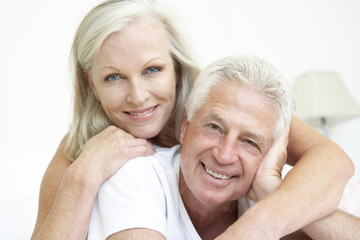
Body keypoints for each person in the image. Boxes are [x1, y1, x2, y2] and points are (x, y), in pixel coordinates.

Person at [31, 0, 354, 239]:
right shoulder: (86, 150)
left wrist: (261, 219)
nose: (139, 95)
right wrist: (84, 172)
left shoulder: (221, 101)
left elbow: (331, 159)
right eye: (114, 77)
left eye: (152, 70)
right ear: (92, 83)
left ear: (176, 67)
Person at [88, 55, 360, 240]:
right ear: (185, 125)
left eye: (250, 142)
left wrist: (273, 193)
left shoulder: (292, 193)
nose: (224, 154)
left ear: (272, 153)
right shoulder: (137, 172)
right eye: (214, 128)